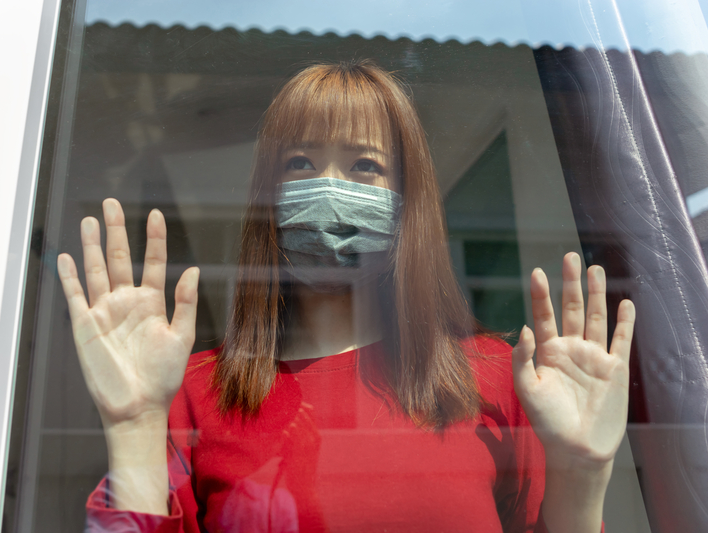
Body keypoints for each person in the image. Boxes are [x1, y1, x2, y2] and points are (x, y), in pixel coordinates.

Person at [57, 61, 636, 533]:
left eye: (365, 166)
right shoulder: (191, 394)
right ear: (269, 195)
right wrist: (133, 422)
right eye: (300, 164)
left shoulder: (494, 382)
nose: (330, 191)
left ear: (409, 202)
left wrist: (584, 473)